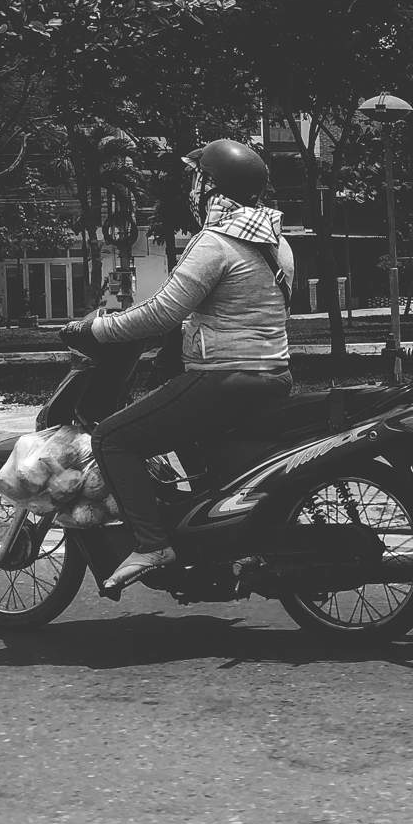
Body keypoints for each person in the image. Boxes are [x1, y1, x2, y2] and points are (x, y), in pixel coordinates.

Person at [60, 139, 295, 590]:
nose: (192, 187)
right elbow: (242, 307)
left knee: (112, 438)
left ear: (210, 187)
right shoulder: (277, 242)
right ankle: (210, 543)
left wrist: (95, 329)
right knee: (200, 454)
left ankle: (152, 544)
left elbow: (160, 312)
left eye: (197, 179)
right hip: (274, 375)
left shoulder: (217, 242)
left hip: (223, 378)